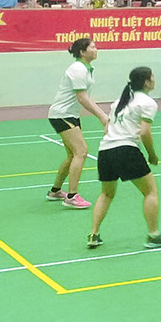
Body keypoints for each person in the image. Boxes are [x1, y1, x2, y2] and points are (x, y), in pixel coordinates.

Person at [87, 65, 161, 250]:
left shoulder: (119, 101)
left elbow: (107, 128)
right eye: (152, 77)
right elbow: (145, 133)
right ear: (147, 82)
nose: (154, 80)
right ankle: (153, 235)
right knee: (150, 192)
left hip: (105, 151)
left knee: (106, 193)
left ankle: (93, 234)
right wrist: (152, 154)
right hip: (126, 150)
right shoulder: (147, 103)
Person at [47, 38, 109, 210]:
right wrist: (102, 118)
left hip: (69, 115)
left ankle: (55, 191)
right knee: (81, 151)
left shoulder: (86, 69)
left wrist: (104, 114)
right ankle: (72, 196)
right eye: (92, 47)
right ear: (82, 52)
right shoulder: (78, 69)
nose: (96, 49)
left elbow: (87, 97)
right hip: (62, 115)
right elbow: (82, 98)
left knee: (72, 154)